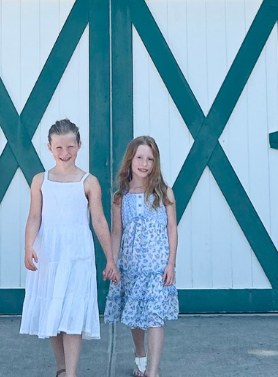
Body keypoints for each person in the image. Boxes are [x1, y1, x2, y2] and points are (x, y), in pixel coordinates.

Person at [22, 118, 116, 377]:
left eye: (70, 147)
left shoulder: (88, 181)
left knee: (72, 311)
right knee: (52, 310)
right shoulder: (40, 180)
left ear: (79, 146)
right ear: (50, 148)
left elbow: (99, 220)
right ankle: (62, 369)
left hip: (77, 254)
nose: (65, 153)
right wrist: (28, 245)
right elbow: (34, 217)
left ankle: (71, 373)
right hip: (49, 253)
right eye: (59, 148)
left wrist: (110, 258)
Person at [104, 136, 179, 377]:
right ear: (130, 160)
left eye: (150, 159)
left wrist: (171, 263)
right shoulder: (121, 197)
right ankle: (140, 354)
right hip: (131, 266)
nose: (144, 164)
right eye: (139, 158)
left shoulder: (164, 193)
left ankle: (152, 372)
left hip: (157, 267)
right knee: (136, 316)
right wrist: (112, 262)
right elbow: (117, 232)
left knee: (155, 316)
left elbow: (172, 228)